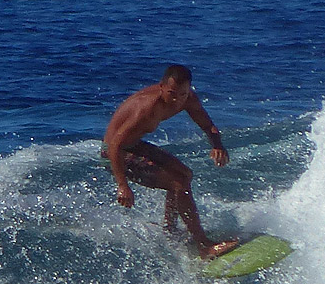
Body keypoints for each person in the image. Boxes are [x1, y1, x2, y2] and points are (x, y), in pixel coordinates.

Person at [101, 65, 239, 259]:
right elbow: (114, 145)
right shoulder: (146, 108)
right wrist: (122, 185)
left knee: (185, 175)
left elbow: (208, 126)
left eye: (182, 94)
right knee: (178, 182)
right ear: (162, 87)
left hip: (134, 145)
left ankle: (170, 229)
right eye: (172, 94)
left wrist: (217, 145)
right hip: (114, 153)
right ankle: (204, 246)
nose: (176, 100)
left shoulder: (188, 99)